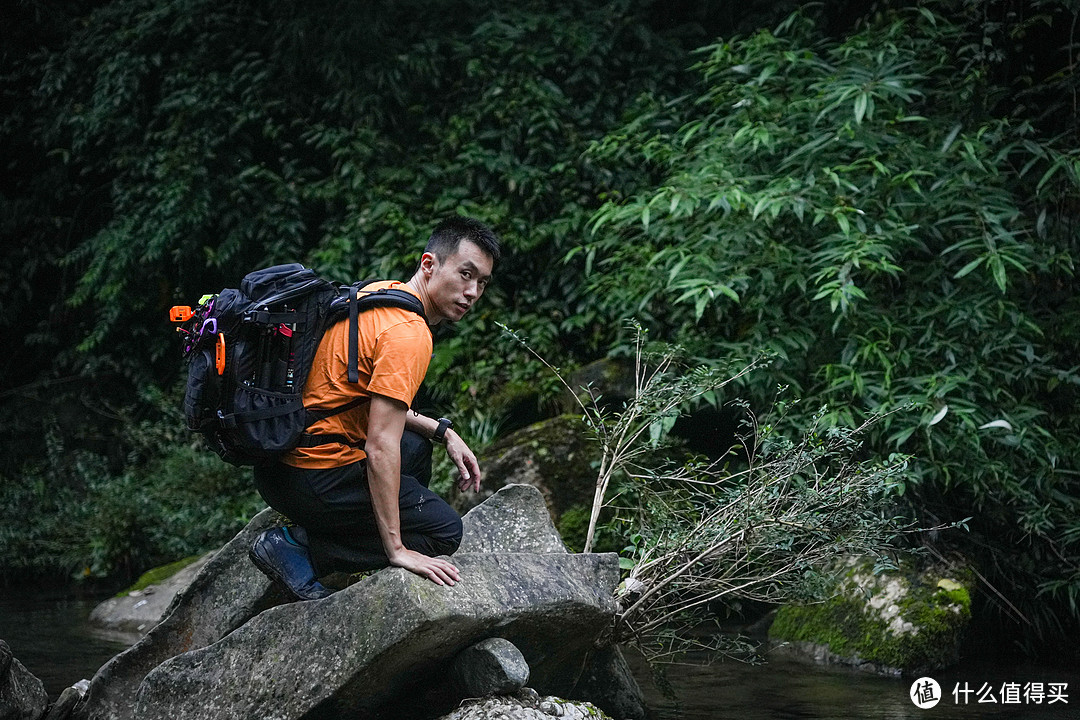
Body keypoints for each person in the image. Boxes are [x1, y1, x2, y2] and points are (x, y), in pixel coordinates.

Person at [249, 217, 500, 600]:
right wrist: (398, 550)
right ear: (429, 265)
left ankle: (349, 529)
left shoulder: (382, 293)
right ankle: (301, 548)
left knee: (415, 449)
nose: (472, 292)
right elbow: (380, 446)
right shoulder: (408, 334)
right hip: (311, 478)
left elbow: (369, 401)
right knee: (444, 532)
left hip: (280, 464)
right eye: (465, 274)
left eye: (481, 282)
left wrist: (443, 431)